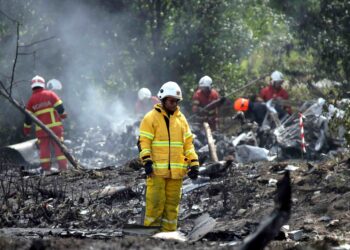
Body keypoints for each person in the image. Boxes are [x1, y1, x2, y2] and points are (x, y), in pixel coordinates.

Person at [138, 81, 199, 232]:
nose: (174, 104)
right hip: (157, 172)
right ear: (163, 99)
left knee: (172, 209)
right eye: (171, 100)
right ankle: (150, 240)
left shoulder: (181, 120)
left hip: (176, 174)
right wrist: (146, 161)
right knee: (155, 206)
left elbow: (188, 144)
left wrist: (194, 163)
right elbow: (143, 142)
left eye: (176, 101)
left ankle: (169, 240)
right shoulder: (150, 118)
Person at [23, 75, 68, 174]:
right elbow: (60, 108)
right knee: (60, 149)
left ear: (32, 86)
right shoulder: (50, 94)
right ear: (43, 84)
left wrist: (26, 130)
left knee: (44, 151)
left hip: (41, 132)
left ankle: (46, 170)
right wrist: (63, 115)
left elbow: (28, 119)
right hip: (55, 129)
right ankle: (64, 169)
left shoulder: (31, 101)